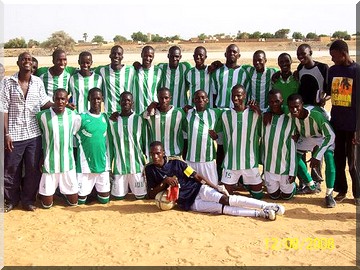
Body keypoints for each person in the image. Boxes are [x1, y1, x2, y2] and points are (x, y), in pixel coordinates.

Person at [145, 141, 285, 221]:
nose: (155, 156)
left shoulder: (176, 163)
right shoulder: (150, 170)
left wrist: (215, 186)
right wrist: (164, 182)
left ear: (163, 152)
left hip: (199, 189)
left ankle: (267, 205)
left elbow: (196, 176)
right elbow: (151, 194)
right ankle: (261, 213)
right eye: (152, 154)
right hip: (190, 203)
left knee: (226, 200)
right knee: (224, 210)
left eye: (158, 153)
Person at [1, 52, 52, 212]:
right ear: (18, 63)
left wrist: (59, 105)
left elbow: (44, 102)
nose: (27, 62)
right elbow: (3, 109)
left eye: (29, 60)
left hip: (34, 134)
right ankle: (11, 200)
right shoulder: (8, 82)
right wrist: (6, 134)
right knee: (11, 169)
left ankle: (28, 200)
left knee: (32, 169)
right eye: (24, 59)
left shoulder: (37, 82)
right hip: (14, 135)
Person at [326, 40, 360, 205]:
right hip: (337, 123)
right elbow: (328, 90)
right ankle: (342, 190)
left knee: (353, 163)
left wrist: (357, 129)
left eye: (334, 56)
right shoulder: (333, 70)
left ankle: (358, 194)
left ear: (342, 53)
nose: (332, 59)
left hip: (353, 126)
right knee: (338, 159)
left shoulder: (357, 71)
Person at [287, 93, 336, 208]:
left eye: (296, 107)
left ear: (302, 105)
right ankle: (311, 185)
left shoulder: (316, 115)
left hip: (323, 136)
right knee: (293, 156)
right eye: (291, 107)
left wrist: (317, 156)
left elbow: (331, 135)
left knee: (329, 158)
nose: (294, 110)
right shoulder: (290, 115)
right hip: (307, 137)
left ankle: (329, 194)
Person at [216, 84, 263, 198]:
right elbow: (216, 133)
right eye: (233, 96)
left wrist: (259, 111)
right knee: (226, 195)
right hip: (231, 163)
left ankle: (246, 184)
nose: (236, 98)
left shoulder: (255, 114)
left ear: (245, 96)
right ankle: (241, 183)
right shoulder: (225, 115)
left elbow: (265, 127)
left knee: (258, 196)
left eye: (239, 95)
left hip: (250, 162)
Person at [37, 88, 81, 208]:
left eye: (63, 99)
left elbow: (75, 132)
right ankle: (51, 191)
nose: (60, 102)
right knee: (47, 205)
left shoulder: (73, 116)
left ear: (67, 100)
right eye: (57, 98)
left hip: (68, 164)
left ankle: (63, 192)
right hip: (50, 164)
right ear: (53, 99)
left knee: (74, 203)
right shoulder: (42, 117)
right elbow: (39, 136)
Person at [109, 92, 148, 199]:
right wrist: (109, 168)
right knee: (118, 198)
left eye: (128, 100)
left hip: (137, 167)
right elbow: (110, 146)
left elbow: (146, 142)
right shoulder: (112, 121)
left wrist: (148, 165)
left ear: (132, 103)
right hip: (119, 167)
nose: (125, 102)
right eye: (123, 100)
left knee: (141, 197)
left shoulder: (139, 119)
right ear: (119, 102)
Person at [76, 88, 111, 204]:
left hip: (102, 164)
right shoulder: (81, 118)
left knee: (105, 200)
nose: (96, 101)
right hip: (85, 165)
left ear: (102, 100)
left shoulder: (105, 118)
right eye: (93, 98)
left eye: (98, 99)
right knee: (80, 202)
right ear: (88, 99)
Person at [262, 89, 297, 200]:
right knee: (274, 196)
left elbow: (292, 148)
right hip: (269, 167)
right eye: (271, 102)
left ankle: (293, 186)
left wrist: (293, 171)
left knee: (286, 197)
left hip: (285, 168)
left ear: (282, 101)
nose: (274, 104)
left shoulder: (291, 119)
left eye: (277, 101)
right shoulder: (265, 118)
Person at [185, 90, 221, 185]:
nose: (200, 100)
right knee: (188, 185)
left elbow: (232, 112)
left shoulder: (215, 113)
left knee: (213, 186)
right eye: (197, 98)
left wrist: (216, 136)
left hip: (207, 160)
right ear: (193, 101)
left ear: (207, 100)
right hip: (190, 160)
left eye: (203, 97)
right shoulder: (187, 113)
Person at [143, 87, 187, 158]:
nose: (164, 100)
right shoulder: (151, 113)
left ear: (170, 98)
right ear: (157, 98)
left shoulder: (179, 113)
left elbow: (188, 129)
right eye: (161, 98)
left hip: (174, 154)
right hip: (156, 157)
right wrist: (149, 108)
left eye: (166, 98)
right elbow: (140, 118)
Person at [95, 45, 135, 114]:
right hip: (109, 113)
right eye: (114, 53)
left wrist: (138, 64)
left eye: (119, 54)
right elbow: (87, 71)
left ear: (122, 57)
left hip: (127, 113)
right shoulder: (102, 70)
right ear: (110, 55)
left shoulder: (131, 70)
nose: (116, 56)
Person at [210, 44, 248, 108]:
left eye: (234, 52)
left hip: (236, 110)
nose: (231, 53)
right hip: (220, 108)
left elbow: (246, 94)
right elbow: (214, 93)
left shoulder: (244, 73)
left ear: (239, 56)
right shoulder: (217, 72)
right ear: (225, 54)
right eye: (229, 51)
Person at [131, 45, 163, 114]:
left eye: (150, 56)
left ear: (153, 56)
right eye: (145, 55)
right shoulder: (134, 70)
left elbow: (159, 91)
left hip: (153, 111)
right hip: (137, 111)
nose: (148, 58)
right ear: (141, 55)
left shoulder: (158, 71)